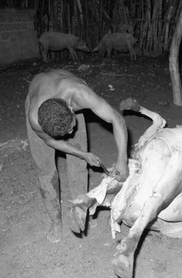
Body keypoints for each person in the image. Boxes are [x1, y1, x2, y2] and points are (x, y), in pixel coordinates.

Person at [25, 69, 128, 243]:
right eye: (66, 132)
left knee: (79, 165)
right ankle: (56, 220)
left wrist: (122, 160)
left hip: (65, 95)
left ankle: (81, 210)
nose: (71, 133)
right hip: (39, 97)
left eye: (72, 126)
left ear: (71, 109)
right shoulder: (35, 118)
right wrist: (83, 153)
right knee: (45, 170)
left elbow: (116, 118)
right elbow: (51, 141)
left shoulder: (81, 94)